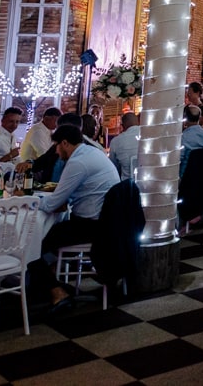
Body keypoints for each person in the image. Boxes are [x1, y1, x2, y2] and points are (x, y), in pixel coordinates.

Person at [27, 124, 120, 310]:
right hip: (106, 221)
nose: (56, 152)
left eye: (56, 147)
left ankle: (57, 292)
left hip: (90, 226)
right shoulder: (92, 153)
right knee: (46, 237)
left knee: (30, 245)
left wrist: (29, 200)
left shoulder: (78, 163)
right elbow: (68, 194)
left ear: (64, 143)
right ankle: (49, 281)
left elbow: (53, 204)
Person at [180, 104, 203, 176]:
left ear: (185, 118)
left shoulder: (183, 137)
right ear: (199, 118)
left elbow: (178, 159)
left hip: (185, 179)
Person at [108, 111, 140, 181]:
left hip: (127, 186)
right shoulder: (148, 136)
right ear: (138, 122)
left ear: (122, 126)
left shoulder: (116, 141)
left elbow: (113, 167)